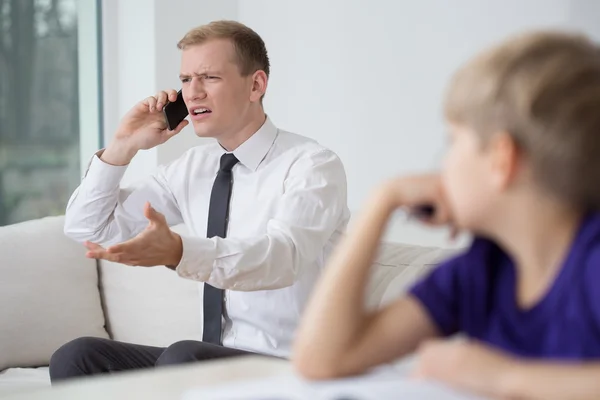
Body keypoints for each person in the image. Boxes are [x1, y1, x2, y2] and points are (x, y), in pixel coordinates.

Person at [293, 30, 600, 400]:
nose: (443, 165)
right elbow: (321, 360)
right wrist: (382, 202)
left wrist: (502, 377)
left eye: (453, 141)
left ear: (502, 160)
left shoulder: (592, 260)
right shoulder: (481, 269)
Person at [49, 20, 349, 382]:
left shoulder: (312, 165)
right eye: (186, 79)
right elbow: (87, 229)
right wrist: (121, 147)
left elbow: (281, 258)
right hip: (214, 359)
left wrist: (180, 252)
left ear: (256, 85)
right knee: (78, 356)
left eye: (209, 77)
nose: (192, 94)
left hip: (289, 363)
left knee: (183, 356)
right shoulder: (193, 168)